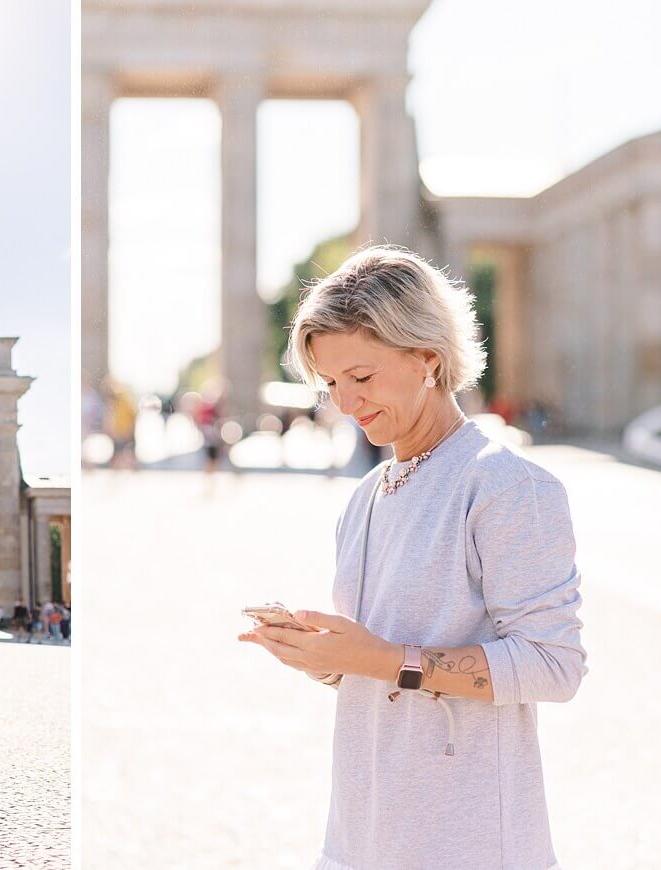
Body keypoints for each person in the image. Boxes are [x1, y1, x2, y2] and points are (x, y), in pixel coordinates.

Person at [238, 246, 586, 870]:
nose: (345, 404)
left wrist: (375, 657)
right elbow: (378, 667)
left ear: (428, 358)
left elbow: (554, 666)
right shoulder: (364, 498)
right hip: (359, 835)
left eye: (362, 378)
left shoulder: (507, 487)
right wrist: (324, 657)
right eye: (331, 384)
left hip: (469, 841)